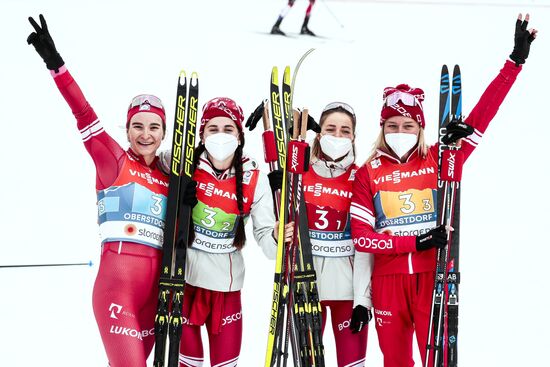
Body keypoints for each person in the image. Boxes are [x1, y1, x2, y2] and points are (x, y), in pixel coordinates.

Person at [349, 14, 537, 367]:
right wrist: (414, 242)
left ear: (420, 127)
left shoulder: (441, 159)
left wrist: (514, 63)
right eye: (392, 125)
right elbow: (362, 238)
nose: (399, 131)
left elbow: (482, 117)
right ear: (382, 127)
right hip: (388, 284)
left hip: (433, 275)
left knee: (439, 361)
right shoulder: (367, 173)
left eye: (407, 125)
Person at [26, 14, 198, 367]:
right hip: (116, 287)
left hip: (157, 293)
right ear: (128, 128)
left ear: (164, 134)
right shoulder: (113, 161)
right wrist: (56, 66)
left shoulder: (172, 179)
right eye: (137, 126)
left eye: (154, 127)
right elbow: (83, 113)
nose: (145, 134)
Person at [178, 97, 293, 367]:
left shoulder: (254, 177)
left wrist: (277, 235)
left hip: (226, 289)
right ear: (202, 134)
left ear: (239, 135)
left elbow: (266, 240)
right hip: (184, 283)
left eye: (228, 129)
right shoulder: (183, 166)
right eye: (213, 128)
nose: (220, 135)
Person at [303, 103, 374, 366]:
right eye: (330, 129)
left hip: (349, 293)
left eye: (345, 131)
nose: (337, 135)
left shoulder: (363, 177)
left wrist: (364, 301)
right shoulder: (301, 173)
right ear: (319, 134)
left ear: (354, 137)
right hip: (307, 289)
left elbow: (366, 245)